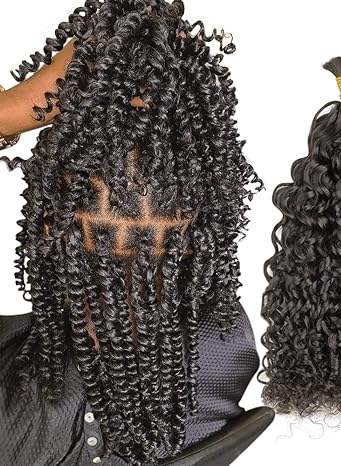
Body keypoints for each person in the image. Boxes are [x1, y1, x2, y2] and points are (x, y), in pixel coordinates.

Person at [0, 1, 273, 464]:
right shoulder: (227, 348)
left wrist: (12, 111)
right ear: (203, 228)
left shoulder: (15, 389)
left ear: (47, 229)